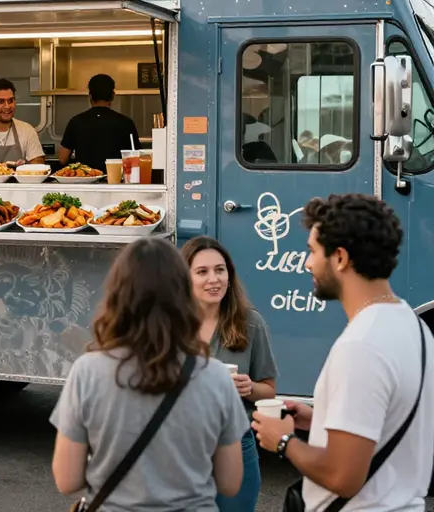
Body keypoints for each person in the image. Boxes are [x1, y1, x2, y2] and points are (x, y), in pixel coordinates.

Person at [252, 193, 434, 510]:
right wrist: (319, 420)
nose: (307, 263)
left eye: (312, 251)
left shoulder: (361, 346)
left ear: (340, 258)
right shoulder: (414, 325)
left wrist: (283, 441)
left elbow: (343, 477)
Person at [49, 237, 250, 511]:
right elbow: (230, 483)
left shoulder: (87, 371)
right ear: (183, 294)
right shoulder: (215, 375)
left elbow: (67, 480)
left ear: (118, 294)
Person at [183, 236, 278, 512]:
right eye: (202, 272)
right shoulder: (168, 323)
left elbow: (269, 390)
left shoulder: (251, 323)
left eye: (220, 270)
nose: (214, 279)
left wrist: (249, 388)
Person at [58, 74, 141, 173]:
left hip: (85, 177)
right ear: (112, 96)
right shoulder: (126, 122)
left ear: (90, 96)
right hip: (116, 179)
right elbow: (136, 157)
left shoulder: (76, 122)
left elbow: (62, 158)